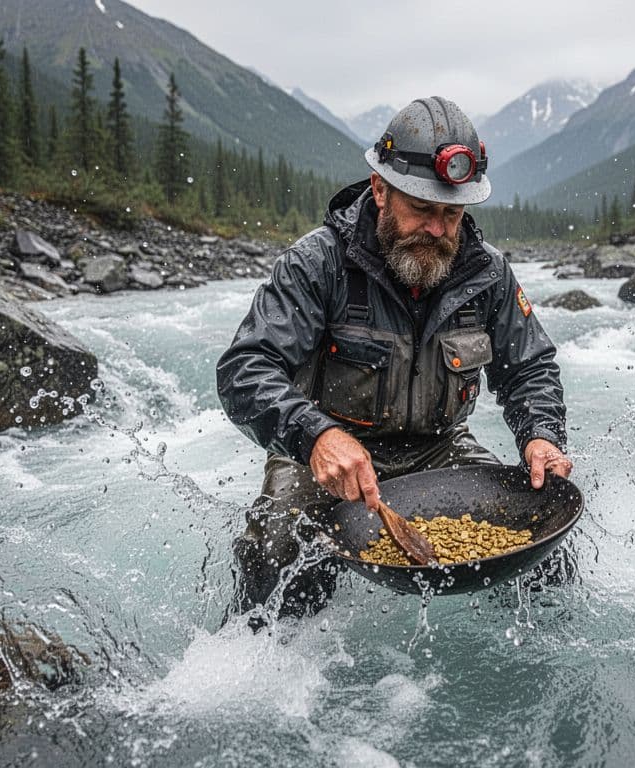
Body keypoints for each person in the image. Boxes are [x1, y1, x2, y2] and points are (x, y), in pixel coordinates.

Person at [216, 96, 571, 622]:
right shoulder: (318, 263)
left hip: (439, 453)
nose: (437, 230)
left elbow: (530, 368)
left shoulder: (487, 273)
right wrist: (315, 436)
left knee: (543, 557)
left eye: (452, 214)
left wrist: (540, 434)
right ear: (380, 189)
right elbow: (244, 370)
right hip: (324, 453)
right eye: (422, 209)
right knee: (275, 552)